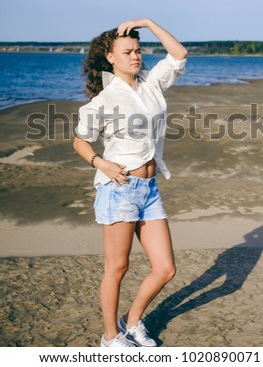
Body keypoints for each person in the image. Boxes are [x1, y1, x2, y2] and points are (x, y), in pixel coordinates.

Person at [73, 18, 188, 347]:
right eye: (127, 52)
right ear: (110, 57)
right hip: (119, 189)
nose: (136, 56)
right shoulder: (104, 101)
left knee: (165, 268)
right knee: (117, 267)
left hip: (150, 190)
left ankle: (132, 321)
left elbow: (178, 54)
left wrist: (147, 22)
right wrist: (102, 163)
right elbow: (81, 142)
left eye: (138, 50)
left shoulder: (151, 83)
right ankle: (110, 337)